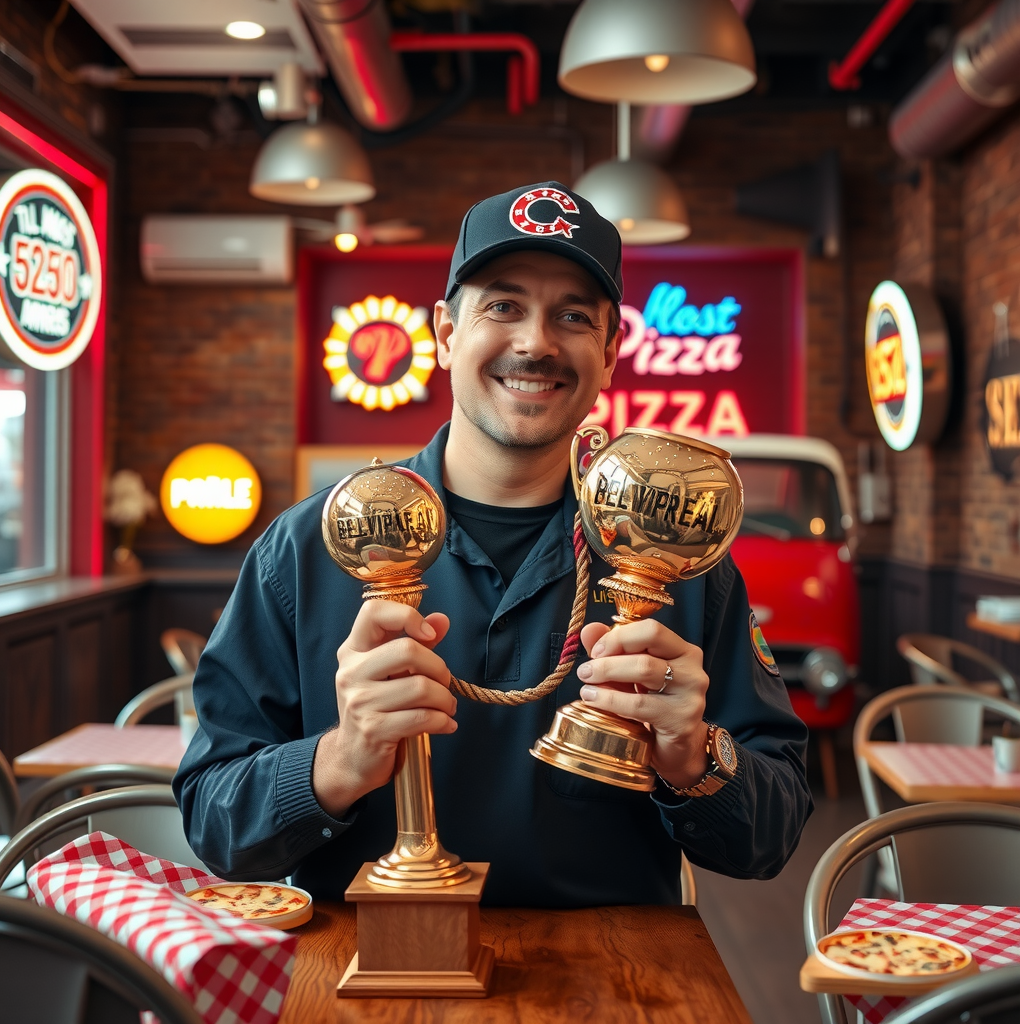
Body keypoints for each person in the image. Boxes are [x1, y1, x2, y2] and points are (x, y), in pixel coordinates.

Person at [174, 181, 812, 907]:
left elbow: (775, 834)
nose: (536, 342)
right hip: (371, 976)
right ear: (446, 333)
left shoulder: (685, 562)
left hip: (614, 984)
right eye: (503, 306)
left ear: (609, 352)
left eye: (572, 316)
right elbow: (214, 819)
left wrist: (694, 758)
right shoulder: (306, 549)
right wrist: (342, 759)